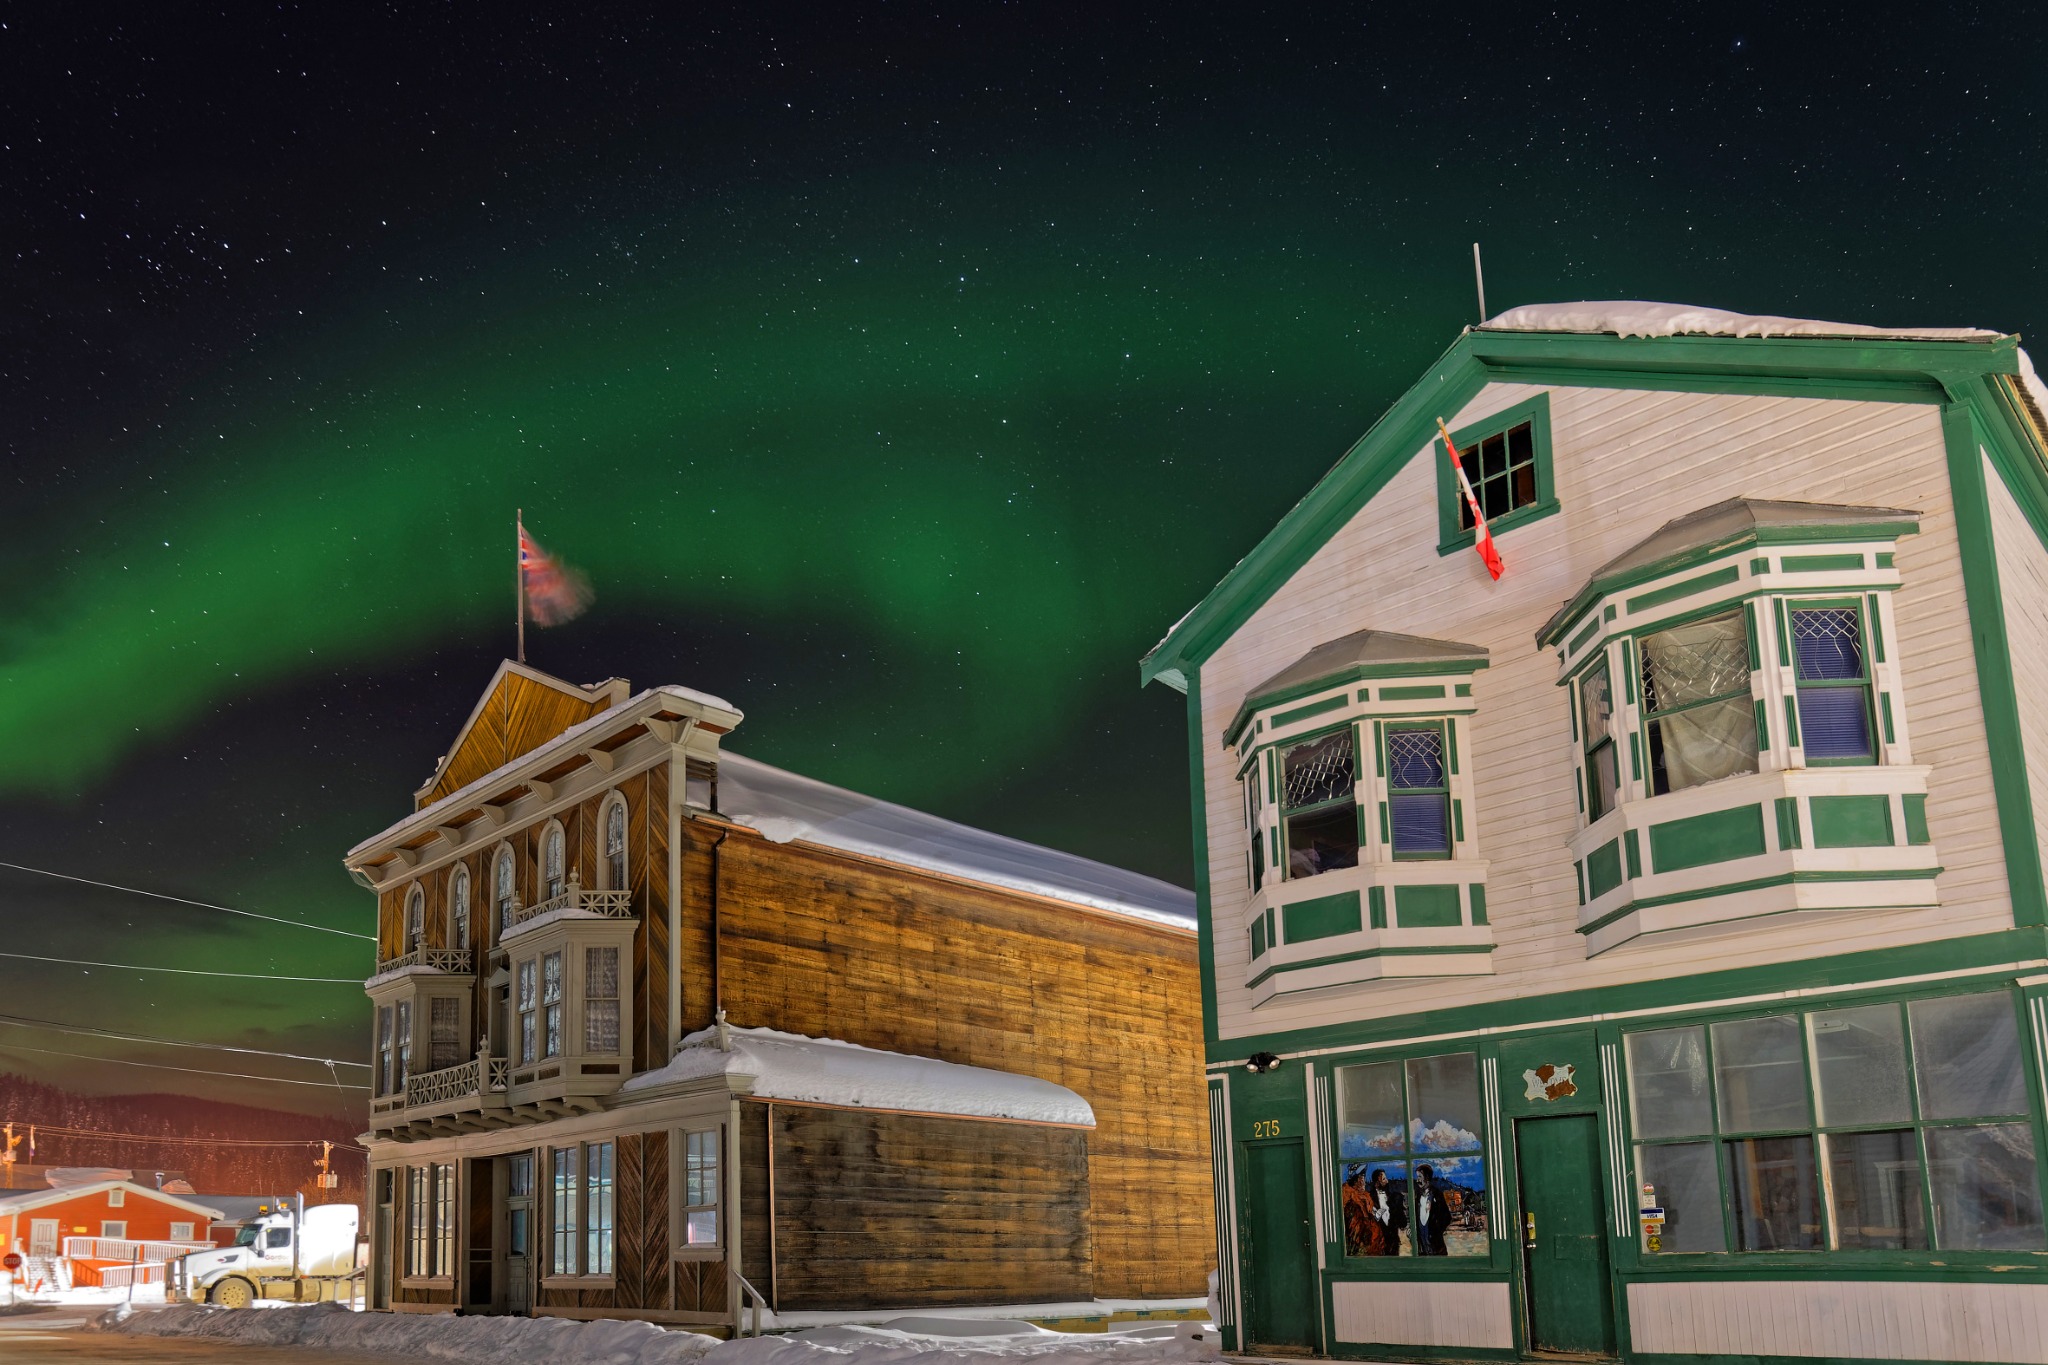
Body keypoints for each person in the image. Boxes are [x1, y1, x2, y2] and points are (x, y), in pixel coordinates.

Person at [1412, 1164, 1453, 1256]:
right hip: (1422, 1250)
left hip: (1436, 1249)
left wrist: (1436, 1233)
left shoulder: (1437, 1195)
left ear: (1427, 1178)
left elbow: (1447, 1218)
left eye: (1419, 1177)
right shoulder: (1417, 1196)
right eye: (1417, 1177)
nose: (1417, 1180)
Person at [1367, 1168, 1407, 1255]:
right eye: (1384, 1179)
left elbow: (1400, 1216)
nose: (1387, 1181)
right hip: (1379, 1241)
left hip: (1393, 1240)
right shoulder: (1370, 1198)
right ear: (1377, 1183)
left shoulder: (1393, 1196)